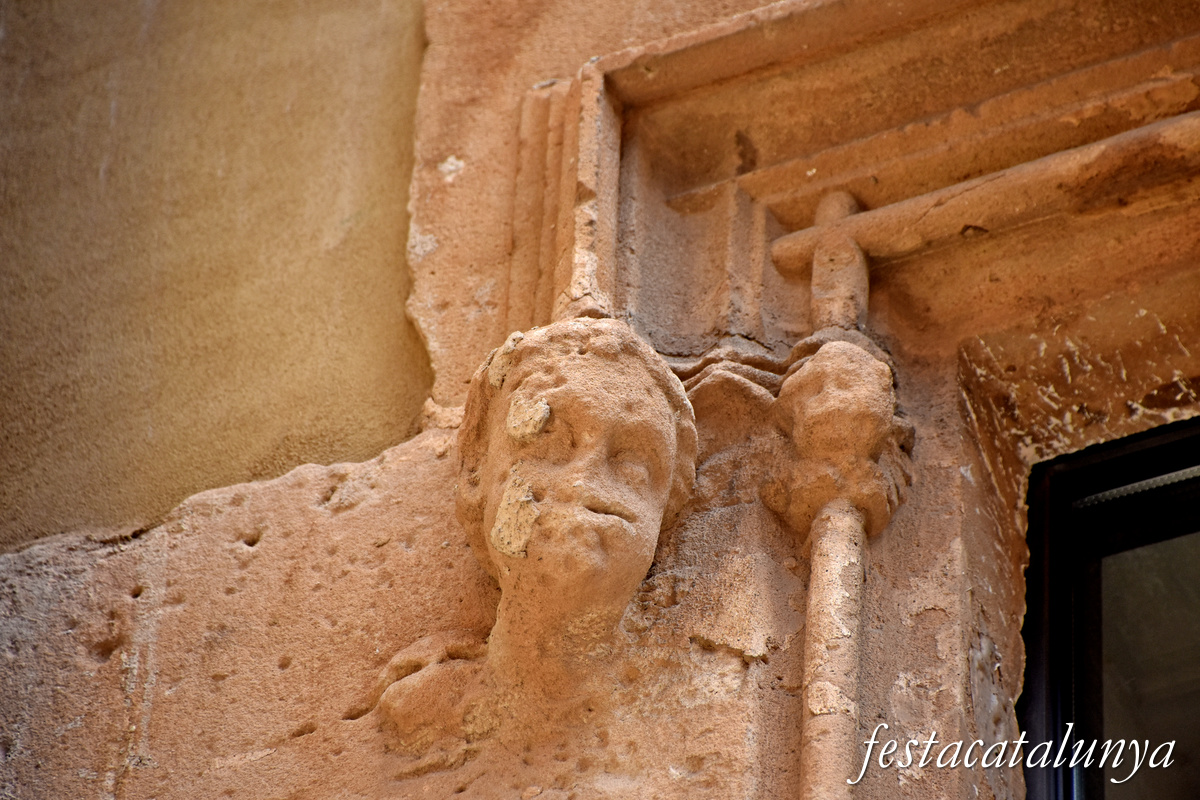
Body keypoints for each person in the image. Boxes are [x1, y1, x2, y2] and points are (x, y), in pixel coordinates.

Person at [374, 318, 697, 771]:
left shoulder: (699, 719)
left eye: (634, 467)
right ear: (475, 473)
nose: (585, 483)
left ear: (665, 512)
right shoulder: (422, 709)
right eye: (548, 442)